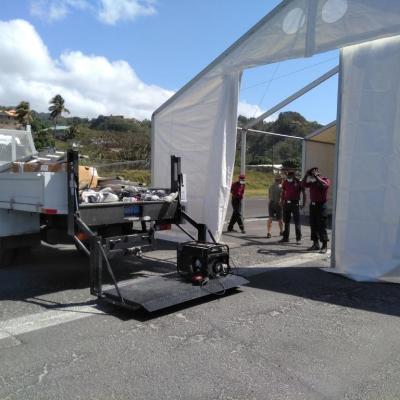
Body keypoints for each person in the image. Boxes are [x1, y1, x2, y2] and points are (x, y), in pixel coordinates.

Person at [302, 167, 331, 253]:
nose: (312, 175)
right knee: (313, 225)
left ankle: (324, 245)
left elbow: (325, 185)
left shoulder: (325, 179)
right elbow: (303, 184)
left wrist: (317, 177)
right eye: (312, 173)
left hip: (321, 206)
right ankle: (315, 244)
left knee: (321, 225)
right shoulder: (312, 183)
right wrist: (306, 175)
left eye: (314, 173)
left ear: (318, 173)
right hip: (313, 206)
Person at [279, 170, 305, 244]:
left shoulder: (298, 182)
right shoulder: (286, 182)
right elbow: (283, 191)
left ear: (293, 176)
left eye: (289, 176)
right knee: (286, 221)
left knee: (297, 221)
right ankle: (285, 238)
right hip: (286, 203)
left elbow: (303, 193)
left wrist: (303, 203)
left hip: (295, 204)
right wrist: (281, 200)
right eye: (287, 176)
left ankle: (298, 239)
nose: (288, 177)